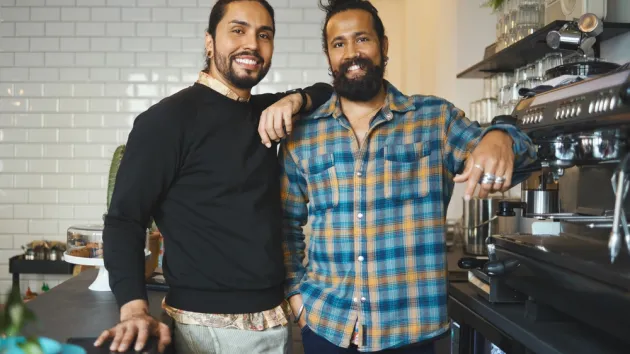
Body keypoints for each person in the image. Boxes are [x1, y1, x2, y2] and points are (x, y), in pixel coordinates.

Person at [279, 0, 538, 353]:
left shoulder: (435, 119)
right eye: (339, 44)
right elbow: (284, 223)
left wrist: (502, 135)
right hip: (327, 326)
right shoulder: (303, 134)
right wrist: (296, 296)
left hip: (410, 331)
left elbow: (522, 158)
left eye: (362, 39)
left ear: (383, 46)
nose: (352, 52)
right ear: (328, 55)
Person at [94, 0, 333, 353]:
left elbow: (328, 93)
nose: (252, 44)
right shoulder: (166, 121)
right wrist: (133, 308)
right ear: (209, 42)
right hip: (205, 332)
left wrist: (296, 99)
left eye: (263, 34)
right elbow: (124, 221)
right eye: (238, 30)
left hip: (273, 321)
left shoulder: (264, 111)